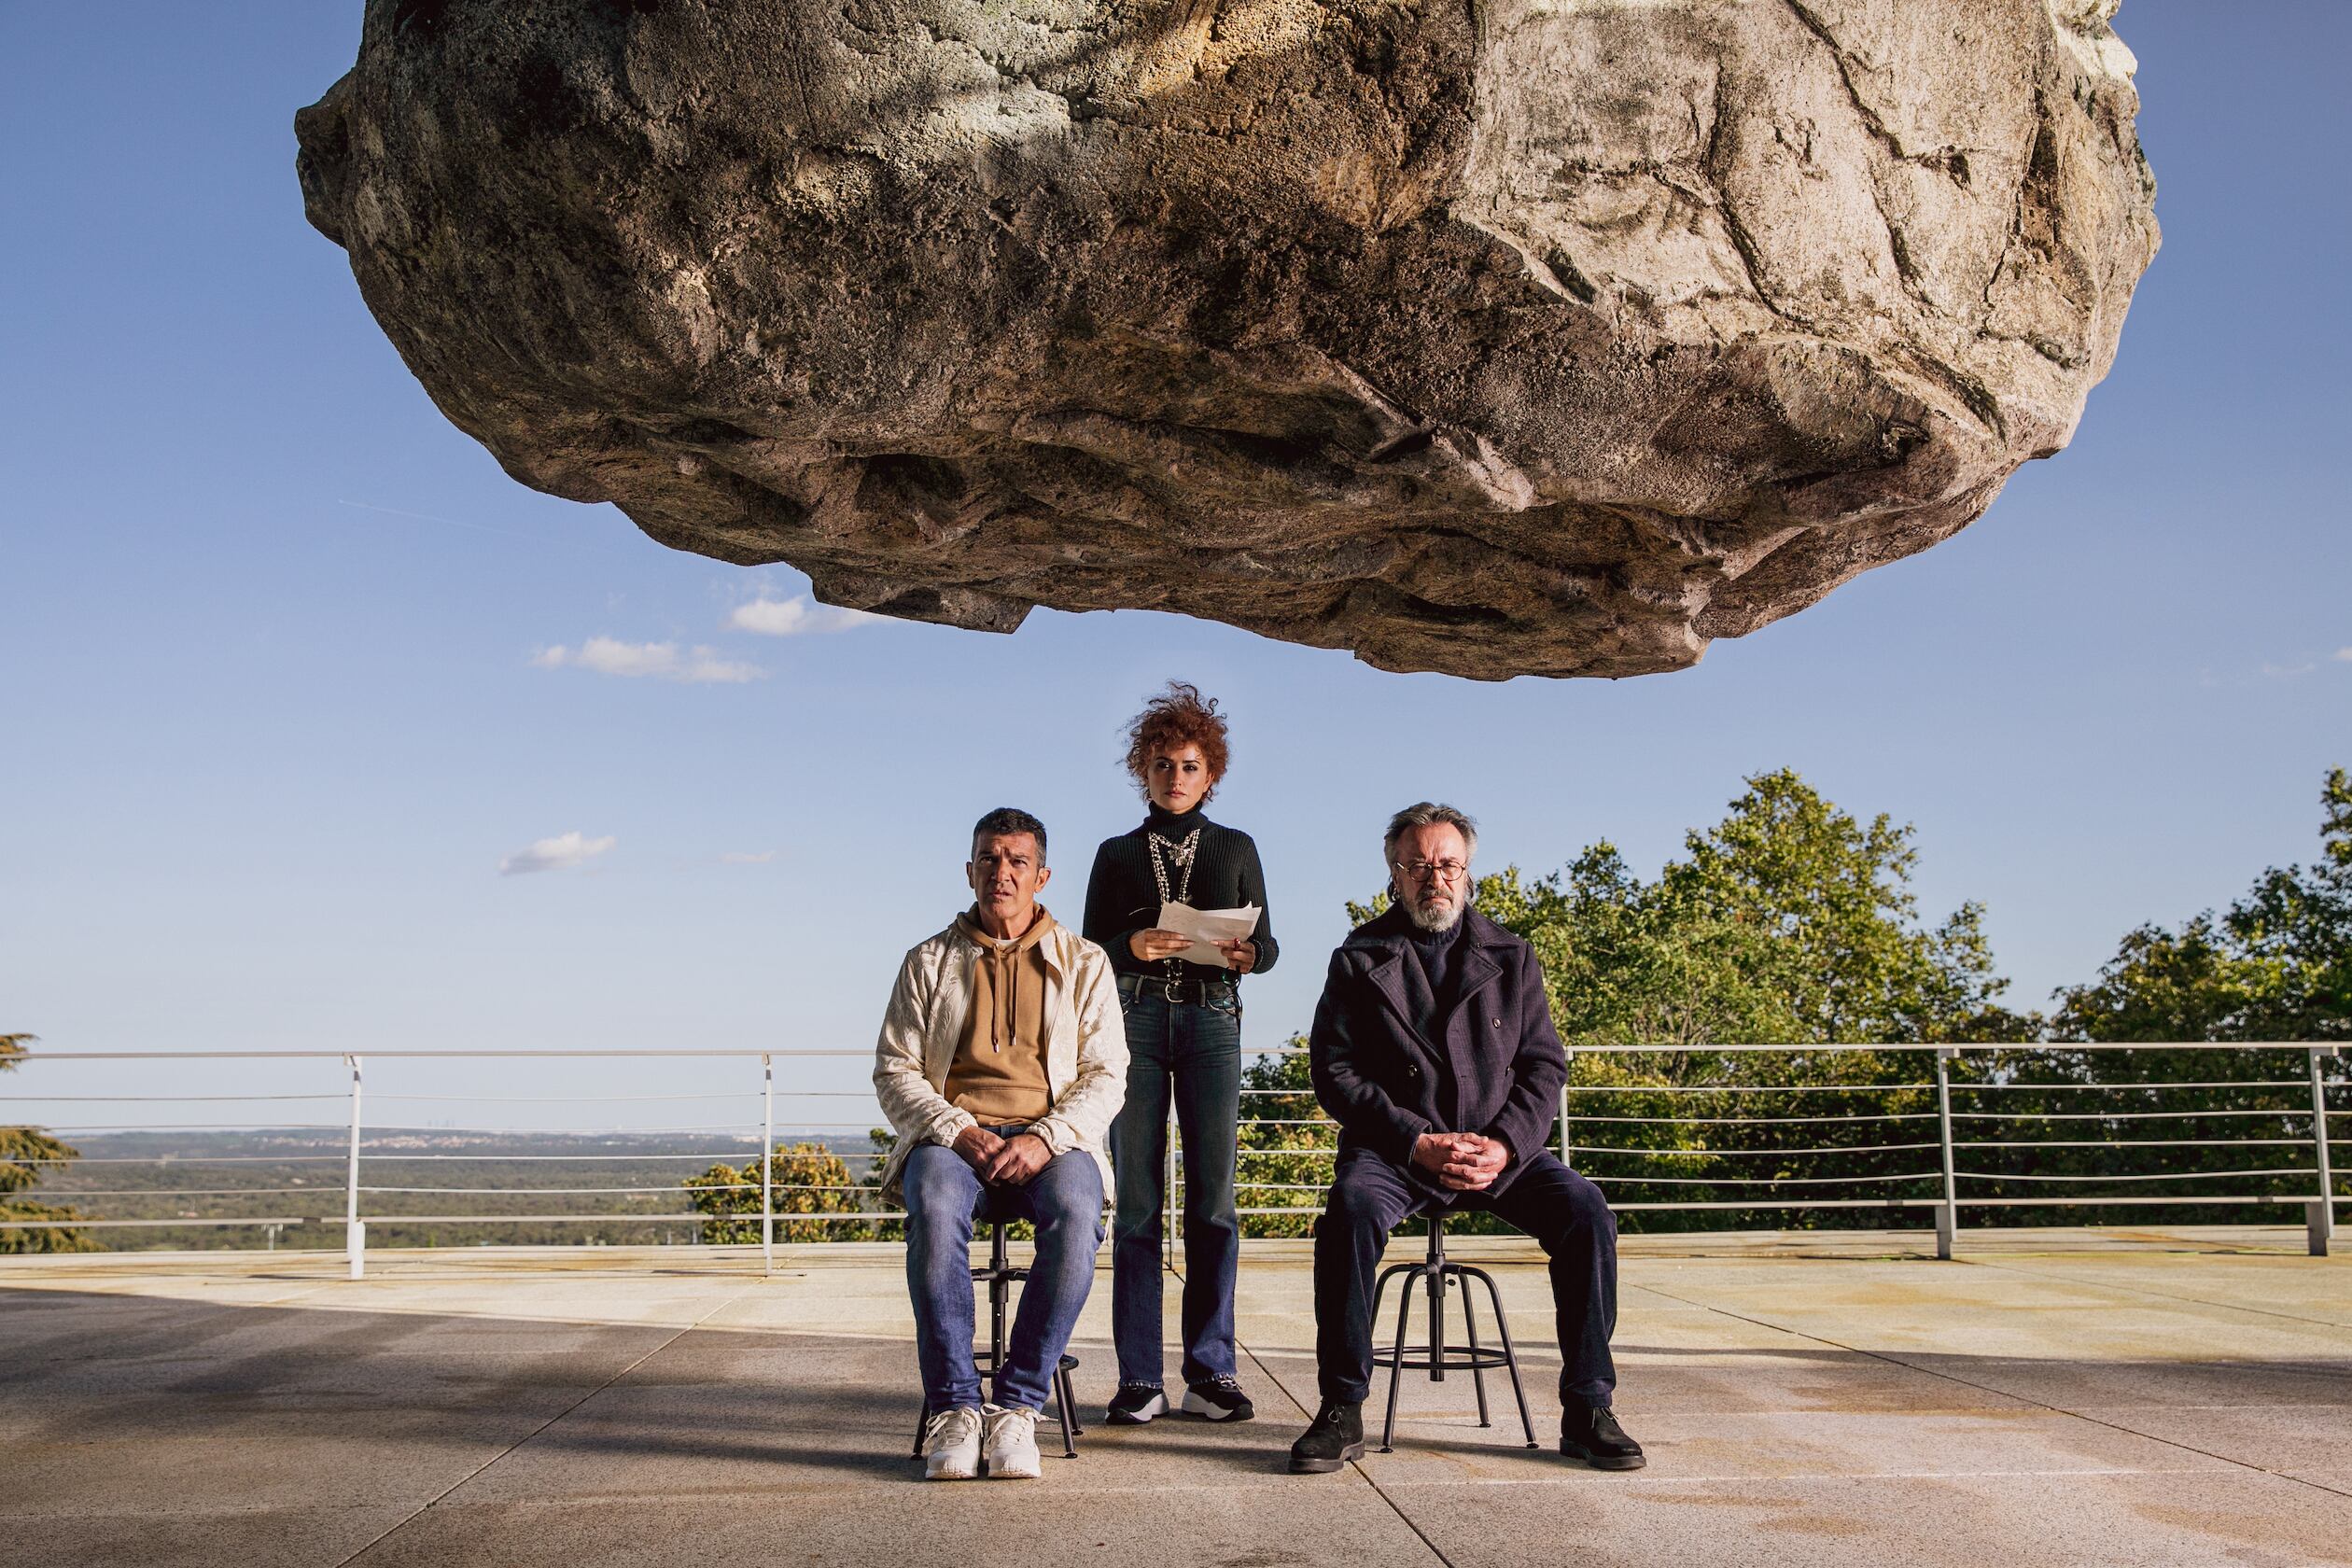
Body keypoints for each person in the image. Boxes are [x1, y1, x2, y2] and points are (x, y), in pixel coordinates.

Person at [1286, 803, 1643, 1475]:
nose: (1435, 878)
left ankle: (1589, 1407)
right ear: (1395, 874)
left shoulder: (1513, 955)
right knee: (1349, 1213)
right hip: (1395, 1152)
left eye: (1448, 865)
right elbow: (1334, 1071)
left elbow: (1544, 1066)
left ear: (1468, 872)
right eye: (1419, 865)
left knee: (1587, 1210)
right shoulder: (1357, 957)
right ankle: (1341, 1408)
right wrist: (1416, 1140)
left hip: (1497, 1151)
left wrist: (1505, 1144)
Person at [874, 807, 1127, 1480]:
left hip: (1053, 1142)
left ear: (1042, 876)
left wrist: (1046, 1137)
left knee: (1079, 1212)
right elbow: (895, 1069)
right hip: (953, 1141)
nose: (1002, 872)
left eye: (1017, 861)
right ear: (970, 870)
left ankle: (1017, 1405)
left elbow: (1107, 1074)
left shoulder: (1086, 962)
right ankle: (955, 1407)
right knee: (932, 1207)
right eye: (989, 858)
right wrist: (956, 1130)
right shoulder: (928, 961)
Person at [1084, 683, 1279, 1425]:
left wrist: (1249, 954)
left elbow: (1269, 945)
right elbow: (1088, 952)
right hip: (1134, 1021)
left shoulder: (1236, 847)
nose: (1175, 777)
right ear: (1143, 769)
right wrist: (1131, 944)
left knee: (1214, 1204)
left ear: (1211, 773)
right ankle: (1140, 1378)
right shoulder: (1115, 854)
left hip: (1213, 1023)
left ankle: (1211, 1371)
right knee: (1136, 1205)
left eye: (1190, 765)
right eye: (1162, 763)